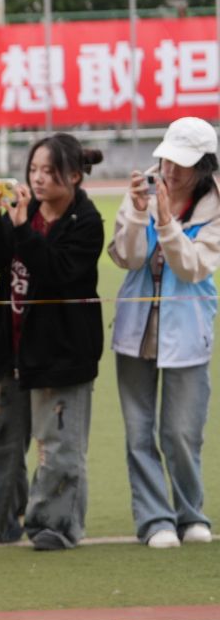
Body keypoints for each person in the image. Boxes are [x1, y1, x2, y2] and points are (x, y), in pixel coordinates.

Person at [0, 133, 106, 552]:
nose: (38, 179)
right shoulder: (25, 213)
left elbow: (56, 271)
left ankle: (56, 525)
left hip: (61, 352)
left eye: (49, 171)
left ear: (75, 176)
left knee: (57, 444)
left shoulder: (86, 222)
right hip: (10, 345)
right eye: (33, 170)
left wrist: (23, 227)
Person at [110, 118, 220, 549]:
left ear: (205, 166)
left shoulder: (214, 208)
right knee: (139, 431)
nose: (170, 170)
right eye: (167, 159)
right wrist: (140, 213)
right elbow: (129, 259)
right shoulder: (142, 190)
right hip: (135, 330)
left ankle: (191, 514)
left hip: (188, 332)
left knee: (181, 432)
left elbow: (192, 267)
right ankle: (155, 520)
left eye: (182, 163)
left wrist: (167, 223)